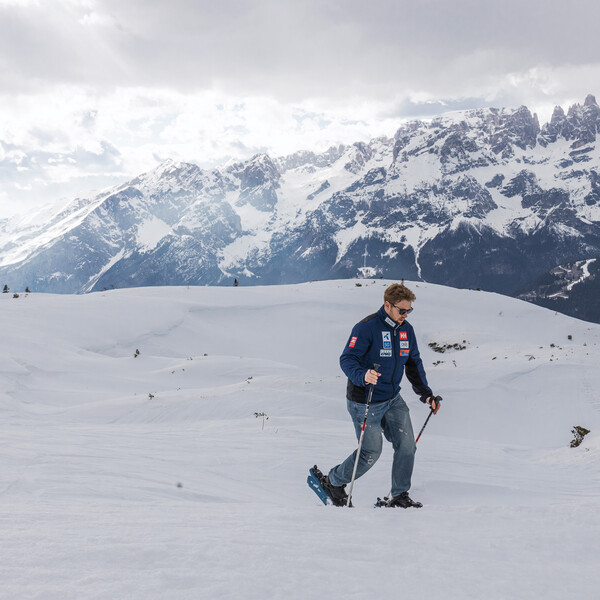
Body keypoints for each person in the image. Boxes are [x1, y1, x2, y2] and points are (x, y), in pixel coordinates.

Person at [320, 282, 441, 508]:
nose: (405, 315)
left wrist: (426, 394)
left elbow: (413, 364)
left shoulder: (407, 331)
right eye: (402, 310)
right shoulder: (366, 328)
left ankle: (399, 495)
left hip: (392, 398)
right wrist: (363, 375)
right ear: (388, 305)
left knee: (407, 445)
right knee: (370, 452)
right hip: (364, 400)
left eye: (409, 311)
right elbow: (347, 359)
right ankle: (334, 482)